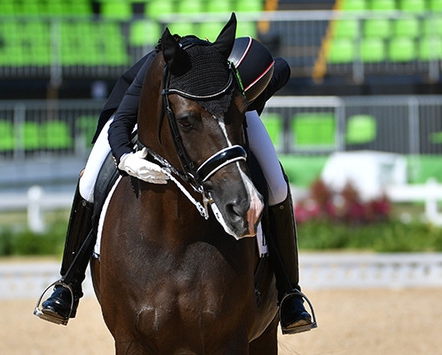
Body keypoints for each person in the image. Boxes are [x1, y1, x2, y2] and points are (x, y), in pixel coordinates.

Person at [35, 31, 316, 335]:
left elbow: (282, 69)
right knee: (90, 180)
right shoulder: (156, 67)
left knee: (276, 185)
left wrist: (244, 102)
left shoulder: (232, 83)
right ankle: (68, 283)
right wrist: (126, 159)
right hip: (152, 107)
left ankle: (289, 293)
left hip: (225, 111)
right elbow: (121, 124)